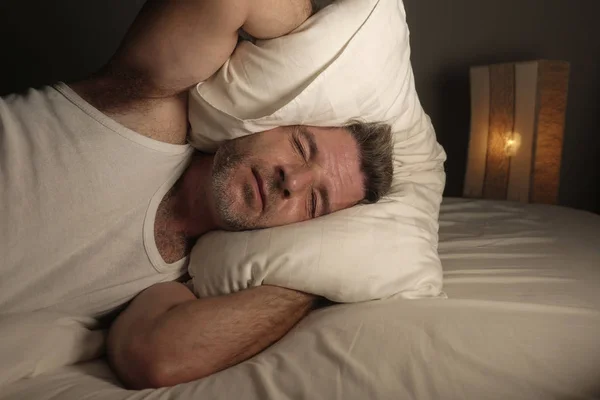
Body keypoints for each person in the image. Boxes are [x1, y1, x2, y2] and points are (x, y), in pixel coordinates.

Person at [0, 0, 394, 390]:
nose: (292, 182)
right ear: (269, 122)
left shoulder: (178, 283)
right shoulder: (149, 110)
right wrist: (301, 44)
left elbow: (155, 359)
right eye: (302, 148)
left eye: (313, 202)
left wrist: (312, 276)